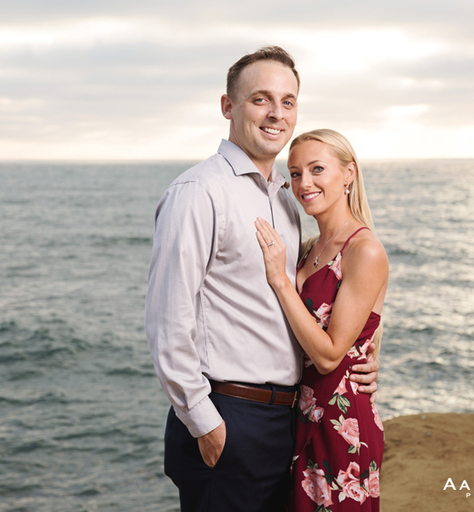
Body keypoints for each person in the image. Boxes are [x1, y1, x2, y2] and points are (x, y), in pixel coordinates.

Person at [145, 47, 379, 512]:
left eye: (288, 101)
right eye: (261, 100)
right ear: (228, 107)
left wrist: (366, 357)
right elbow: (169, 320)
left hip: (289, 419)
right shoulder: (199, 192)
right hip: (230, 416)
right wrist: (204, 422)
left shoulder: (287, 201)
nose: (277, 113)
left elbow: (326, 304)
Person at [254, 129, 388, 511]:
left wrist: (280, 280)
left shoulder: (364, 250)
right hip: (299, 415)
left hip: (342, 421)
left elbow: (330, 356)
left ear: (348, 174)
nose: (304, 183)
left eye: (317, 169)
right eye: (295, 173)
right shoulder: (309, 248)